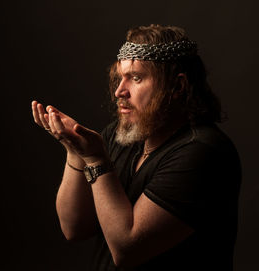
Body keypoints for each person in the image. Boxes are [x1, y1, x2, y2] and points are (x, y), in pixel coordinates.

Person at [31, 24, 241, 271]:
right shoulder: (120, 136)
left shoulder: (202, 152)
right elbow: (74, 228)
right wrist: (75, 151)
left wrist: (96, 159)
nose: (120, 91)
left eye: (136, 78)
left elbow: (127, 249)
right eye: (120, 77)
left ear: (178, 86)